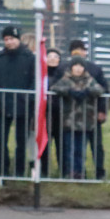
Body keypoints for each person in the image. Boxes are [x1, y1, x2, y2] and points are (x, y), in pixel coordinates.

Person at [0, 25, 34, 177]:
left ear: (18, 39)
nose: (9, 42)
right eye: (6, 39)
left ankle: (19, 171)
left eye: (12, 39)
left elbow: (34, 81)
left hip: (23, 107)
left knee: (21, 142)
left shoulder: (29, 58)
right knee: (1, 141)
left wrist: (28, 99)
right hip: (3, 106)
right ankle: (3, 170)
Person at [50, 56, 105, 179]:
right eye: (76, 66)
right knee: (70, 149)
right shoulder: (66, 79)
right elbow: (55, 88)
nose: (79, 69)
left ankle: (80, 172)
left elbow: (100, 89)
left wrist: (87, 91)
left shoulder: (89, 80)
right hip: (69, 122)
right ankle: (70, 172)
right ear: (71, 67)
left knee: (80, 150)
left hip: (86, 122)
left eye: (81, 66)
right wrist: (69, 91)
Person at [68, 39, 110, 179]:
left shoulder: (95, 69)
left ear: (85, 52)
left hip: (93, 113)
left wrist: (102, 110)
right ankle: (77, 172)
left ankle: (100, 172)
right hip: (73, 115)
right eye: (75, 50)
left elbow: (104, 90)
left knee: (96, 145)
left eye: (81, 49)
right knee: (76, 146)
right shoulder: (66, 68)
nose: (78, 53)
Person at [42, 48, 64, 177]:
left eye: (55, 56)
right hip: (45, 114)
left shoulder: (63, 74)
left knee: (61, 144)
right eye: (49, 56)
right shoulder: (41, 75)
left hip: (60, 114)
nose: (52, 58)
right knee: (45, 143)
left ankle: (63, 171)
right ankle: (44, 170)